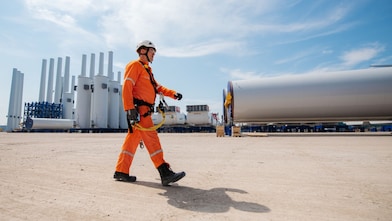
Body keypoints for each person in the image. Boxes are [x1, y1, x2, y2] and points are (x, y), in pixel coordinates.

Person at [114, 40, 186, 186]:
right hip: (140, 111)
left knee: (131, 142)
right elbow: (127, 86)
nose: (154, 55)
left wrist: (173, 94)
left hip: (143, 111)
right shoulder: (135, 65)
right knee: (152, 140)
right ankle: (164, 172)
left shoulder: (148, 71)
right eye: (152, 51)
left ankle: (121, 171)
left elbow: (157, 87)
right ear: (143, 51)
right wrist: (129, 108)